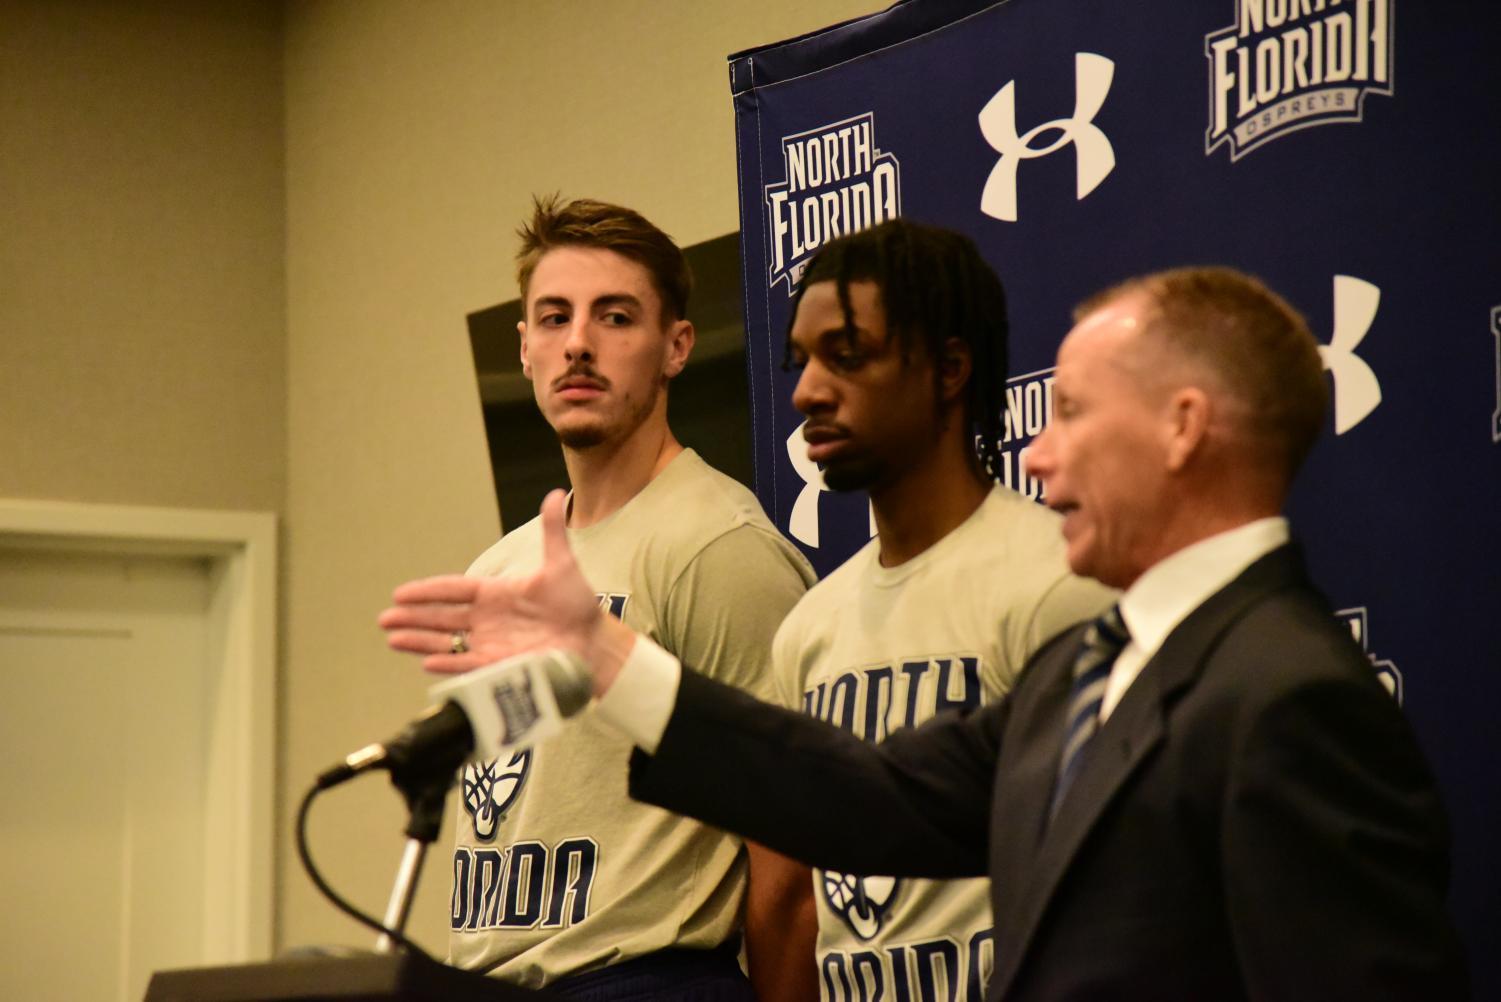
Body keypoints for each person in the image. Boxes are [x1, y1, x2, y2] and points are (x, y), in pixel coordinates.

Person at [381, 266, 1469, 999]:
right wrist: (605, 653)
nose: (1038, 456)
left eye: (1078, 415)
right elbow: (864, 796)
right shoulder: (1089, 670)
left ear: (1185, 428)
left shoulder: (1291, 696)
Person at [429, 196, 819, 1000]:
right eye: (553, 318)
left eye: (614, 318)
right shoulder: (498, 570)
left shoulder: (715, 547)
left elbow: (787, 861)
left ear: (676, 346)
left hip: (645, 979)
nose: (577, 344)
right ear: (525, 348)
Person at [769, 220, 1110, 998]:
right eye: (803, 360)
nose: (806, 392)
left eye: (847, 357)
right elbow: (791, 905)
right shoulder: (806, 632)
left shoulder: (1055, 582)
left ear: (950, 367)